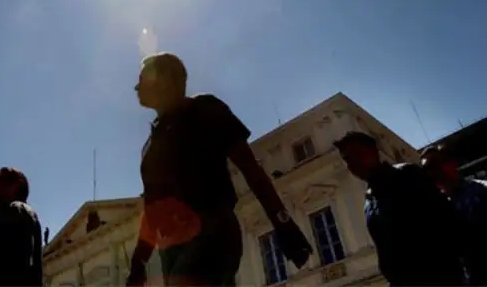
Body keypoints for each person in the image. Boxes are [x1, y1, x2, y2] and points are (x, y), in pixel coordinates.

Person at [127, 52, 312, 287]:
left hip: (210, 229)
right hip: (171, 247)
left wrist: (283, 222)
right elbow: (152, 210)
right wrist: (138, 262)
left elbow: (250, 168)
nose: (136, 87)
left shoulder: (205, 109)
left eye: (142, 79)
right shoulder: (150, 146)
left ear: (163, 80)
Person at [334, 131, 465, 286]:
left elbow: (448, 221)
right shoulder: (369, 202)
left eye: (358, 153)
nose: (353, 162)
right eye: (347, 159)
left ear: (374, 152)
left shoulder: (407, 175)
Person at [421, 144, 487, 285]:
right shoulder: (434, 210)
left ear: (452, 163)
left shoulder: (481, 191)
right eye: (427, 169)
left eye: (436, 164)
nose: (433, 172)